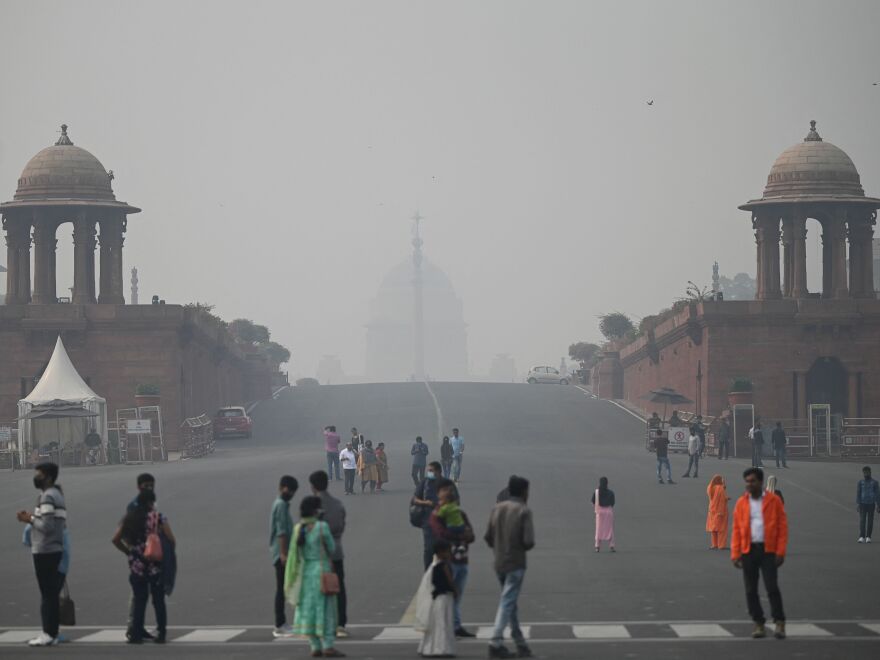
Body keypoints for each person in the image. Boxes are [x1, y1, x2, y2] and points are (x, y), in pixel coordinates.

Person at [112, 489, 176, 644]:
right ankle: (161, 633)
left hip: (136, 564)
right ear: (150, 502)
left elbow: (115, 539)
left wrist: (129, 552)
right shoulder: (158, 517)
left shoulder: (129, 518)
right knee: (158, 600)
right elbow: (171, 539)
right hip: (155, 563)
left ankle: (136, 633)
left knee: (140, 600)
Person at [284, 496, 344, 658]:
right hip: (322, 571)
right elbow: (331, 548)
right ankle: (328, 646)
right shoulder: (322, 527)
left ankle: (315, 646)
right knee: (326, 609)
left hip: (306, 574)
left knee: (308, 609)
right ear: (316, 510)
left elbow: (295, 555)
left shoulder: (298, 528)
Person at [731, 467, 787, 640]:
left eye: (752, 481)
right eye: (747, 481)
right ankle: (759, 622)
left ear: (761, 482)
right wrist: (735, 553)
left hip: (768, 550)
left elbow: (782, 527)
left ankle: (779, 621)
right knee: (750, 590)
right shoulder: (741, 503)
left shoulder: (774, 501)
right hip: (748, 550)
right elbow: (737, 530)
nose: (749, 484)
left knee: (771, 587)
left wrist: (780, 551)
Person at [16, 462, 67, 647]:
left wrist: (28, 518)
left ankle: (48, 632)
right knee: (50, 593)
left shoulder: (48, 497)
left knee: (47, 595)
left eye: (39, 474)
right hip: (53, 549)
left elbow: (47, 526)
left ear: (48, 477)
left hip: (45, 550)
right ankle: (51, 632)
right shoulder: (55, 495)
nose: (36, 477)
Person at [485, 475, 535, 659]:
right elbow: (528, 541)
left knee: (510, 603)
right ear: (523, 492)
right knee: (507, 602)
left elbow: (488, 537)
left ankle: (521, 644)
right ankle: (495, 642)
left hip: (499, 562)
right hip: (515, 563)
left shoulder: (497, 508)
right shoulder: (523, 510)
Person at [429, 479, 476, 638]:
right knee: (446, 596)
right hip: (447, 562)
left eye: (451, 490)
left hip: (462, 559)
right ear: (438, 494)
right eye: (445, 490)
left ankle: (455, 625)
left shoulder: (459, 513)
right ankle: (444, 626)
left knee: (457, 596)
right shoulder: (437, 515)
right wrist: (460, 536)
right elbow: (440, 534)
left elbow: (471, 535)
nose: (449, 493)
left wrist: (464, 536)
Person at [310, 471, 349, 638]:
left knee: (319, 590)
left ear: (313, 486)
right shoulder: (338, 504)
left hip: (319, 555)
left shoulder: (313, 506)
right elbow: (342, 525)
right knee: (338, 588)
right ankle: (341, 624)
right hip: (337, 551)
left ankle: (322, 623)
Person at [267, 475, 297, 637]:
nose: (290, 493)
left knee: (283, 589)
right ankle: (279, 624)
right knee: (281, 589)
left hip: (282, 552)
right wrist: (284, 553)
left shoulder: (283, 504)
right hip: (281, 553)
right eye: (289, 490)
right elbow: (281, 532)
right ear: (282, 487)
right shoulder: (280, 505)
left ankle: (282, 622)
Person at [416, 539, 457, 657]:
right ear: (441, 552)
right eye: (448, 551)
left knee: (436, 623)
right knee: (443, 622)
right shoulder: (443, 566)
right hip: (444, 597)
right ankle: (442, 648)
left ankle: (430, 647)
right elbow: (449, 581)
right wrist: (454, 590)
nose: (450, 554)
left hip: (436, 597)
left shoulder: (433, 566)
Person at [413, 461, 443, 569]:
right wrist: (426, 503)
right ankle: (428, 573)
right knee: (429, 548)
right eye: (428, 470)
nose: (429, 473)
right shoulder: (425, 482)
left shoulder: (447, 484)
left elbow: (455, 502)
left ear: (438, 471)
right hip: (428, 521)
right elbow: (415, 499)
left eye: (431, 470)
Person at [591, 477, 615, 552]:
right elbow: (612, 503)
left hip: (600, 513)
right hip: (608, 512)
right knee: (610, 529)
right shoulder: (611, 492)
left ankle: (597, 546)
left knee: (598, 529)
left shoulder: (596, 492)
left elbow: (593, 501)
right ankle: (611, 545)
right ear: (607, 483)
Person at [857, 466, 879, 543]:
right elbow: (858, 493)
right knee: (862, 521)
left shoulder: (875, 482)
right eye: (864, 472)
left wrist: (878, 505)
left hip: (871, 504)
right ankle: (861, 536)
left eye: (867, 472)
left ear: (870, 472)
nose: (866, 474)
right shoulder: (860, 482)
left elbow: (877, 494)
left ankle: (868, 536)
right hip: (863, 504)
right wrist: (858, 504)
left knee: (870, 521)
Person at [706, 475, 730, 549]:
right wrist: (727, 498)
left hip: (712, 511)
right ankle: (721, 545)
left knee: (714, 528)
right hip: (720, 511)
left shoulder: (710, 488)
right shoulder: (720, 489)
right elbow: (722, 499)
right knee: (721, 529)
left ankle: (714, 544)